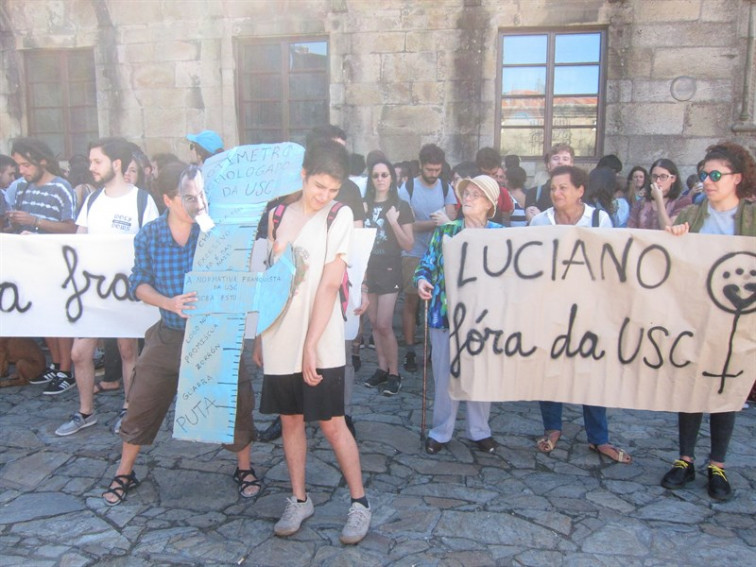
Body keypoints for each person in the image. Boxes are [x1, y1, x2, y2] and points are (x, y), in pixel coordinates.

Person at [101, 163, 260, 505]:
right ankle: (124, 471)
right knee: (142, 399)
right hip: (170, 333)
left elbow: (240, 278)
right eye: (189, 197)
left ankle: (244, 467)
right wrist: (168, 303)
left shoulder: (215, 232)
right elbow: (138, 283)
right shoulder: (150, 235)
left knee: (236, 398)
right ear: (168, 199)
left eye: (202, 194)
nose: (199, 203)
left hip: (215, 335)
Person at [253, 138, 371, 545]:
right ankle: (300, 498)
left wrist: (310, 344)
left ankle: (359, 504)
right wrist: (258, 336)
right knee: (289, 419)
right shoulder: (276, 214)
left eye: (332, 189)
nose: (324, 196)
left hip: (321, 338)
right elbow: (266, 280)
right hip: (278, 336)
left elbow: (329, 284)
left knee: (332, 421)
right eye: (318, 185)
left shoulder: (339, 215)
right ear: (303, 176)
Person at [661, 141, 756, 501]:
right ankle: (685, 458)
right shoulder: (690, 216)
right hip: (696, 316)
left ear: (737, 178)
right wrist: (673, 239)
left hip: (738, 323)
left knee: (726, 389)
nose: (708, 181)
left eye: (716, 174)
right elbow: (669, 263)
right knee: (691, 386)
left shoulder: (751, 218)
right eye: (704, 174)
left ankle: (718, 464)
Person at [56, 138, 159, 437]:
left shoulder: (142, 201)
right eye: (90, 162)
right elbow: (77, 243)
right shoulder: (91, 201)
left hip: (127, 292)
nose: (91, 168)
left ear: (116, 164)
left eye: (96, 161)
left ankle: (129, 408)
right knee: (79, 353)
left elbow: (151, 244)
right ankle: (85, 411)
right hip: (93, 293)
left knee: (128, 350)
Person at [529, 165, 631, 463]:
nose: (556, 193)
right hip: (551, 307)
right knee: (550, 368)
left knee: (592, 371)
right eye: (552, 189)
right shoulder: (539, 222)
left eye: (563, 188)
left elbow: (613, 264)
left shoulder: (600, 220)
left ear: (580, 190)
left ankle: (599, 438)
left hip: (591, 309)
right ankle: (552, 429)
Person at [415, 174, 503, 455]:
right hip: (446, 316)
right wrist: (421, 281)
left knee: (481, 376)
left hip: (484, 320)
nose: (467, 198)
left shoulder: (500, 235)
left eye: (476, 195)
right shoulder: (445, 231)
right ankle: (441, 432)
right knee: (445, 376)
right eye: (466, 193)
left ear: (490, 204)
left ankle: (480, 430)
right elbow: (425, 265)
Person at [9, 138, 77, 393]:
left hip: (57, 264)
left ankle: (66, 370)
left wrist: (35, 222)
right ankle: (56, 364)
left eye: (26, 165)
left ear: (43, 161)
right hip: (31, 264)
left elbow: (71, 227)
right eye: (18, 166)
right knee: (43, 316)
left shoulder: (62, 187)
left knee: (60, 317)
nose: (22, 171)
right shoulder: (22, 189)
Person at [399, 144, 457, 373]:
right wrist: (435, 223)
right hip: (413, 251)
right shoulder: (408, 187)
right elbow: (408, 224)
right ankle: (411, 350)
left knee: (438, 301)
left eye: (437, 170)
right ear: (421, 165)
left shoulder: (445, 186)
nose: (433, 174)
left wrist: (439, 222)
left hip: (441, 252)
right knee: (411, 302)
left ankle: (434, 351)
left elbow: (451, 220)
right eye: (430, 169)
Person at [362, 158, 414, 396]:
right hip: (368, 267)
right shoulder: (363, 205)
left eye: (384, 174)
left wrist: (393, 221)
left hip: (390, 267)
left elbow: (408, 243)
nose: (380, 179)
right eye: (376, 175)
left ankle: (394, 372)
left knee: (384, 323)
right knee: (373, 323)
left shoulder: (400, 206)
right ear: (371, 180)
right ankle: (382, 368)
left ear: (392, 178)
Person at [627, 158, 692, 230]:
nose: (658, 181)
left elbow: (670, 229)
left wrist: (659, 201)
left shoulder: (682, 202)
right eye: (654, 176)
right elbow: (630, 229)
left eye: (663, 177)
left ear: (673, 179)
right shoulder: (641, 203)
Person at [525, 143, 574, 221]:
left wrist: (542, 217)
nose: (560, 162)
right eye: (556, 158)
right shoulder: (533, 193)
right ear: (548, 165)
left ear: (571, 164)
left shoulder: (581, 193)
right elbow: (533, 221)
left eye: (565, 159)